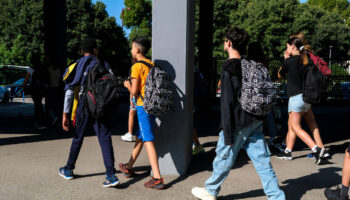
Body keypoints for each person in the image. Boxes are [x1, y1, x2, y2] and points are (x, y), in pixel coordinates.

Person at [191, 27, 285, 200]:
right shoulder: (249, 64)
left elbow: (226, 102)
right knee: (263, 161)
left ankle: (210, 190)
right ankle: (276, 196)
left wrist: (226, 132)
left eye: (224, 40)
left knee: (223, 156)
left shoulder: (229, 68)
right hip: (255, 119)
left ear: (229, 43)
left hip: (237, 122)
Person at [58, 38, 119, 187]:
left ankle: (68, 169)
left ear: (81, 51)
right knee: (105, 139)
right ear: (95, 50)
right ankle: (111, 175)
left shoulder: (78, 65)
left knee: (78, 138)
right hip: (102, 107)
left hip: (85, 106)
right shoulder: (104, 64)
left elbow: (70, 91)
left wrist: (65, 114)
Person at [119, 37, 165, 189]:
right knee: (141, 136)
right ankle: (129, 166)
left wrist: (127, 85)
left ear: (137, 50)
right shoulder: (151, 64)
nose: (131, 50)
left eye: (132, 48)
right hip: (152, 106)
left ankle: (157, 178)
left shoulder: (136, 67)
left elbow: (134, 91)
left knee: (148, 140)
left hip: (142, 106)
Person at [276, 37, 325, 164]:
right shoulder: (306, 60)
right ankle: (288, 151)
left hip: (295, 98)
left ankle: (316, 149)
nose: (286, 49)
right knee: (292, 125)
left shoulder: (290, 61)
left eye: (287, 47)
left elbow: (279, 74)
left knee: (295, 126)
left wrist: (285, 60)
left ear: (292, 46)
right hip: (306, 98)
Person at [121, 58, 137, 142]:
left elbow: (132, 84)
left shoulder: (134, 68)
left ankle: (130, 133)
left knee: (131, 113)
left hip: (136, 96)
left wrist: (131, 98)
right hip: (141, 95)